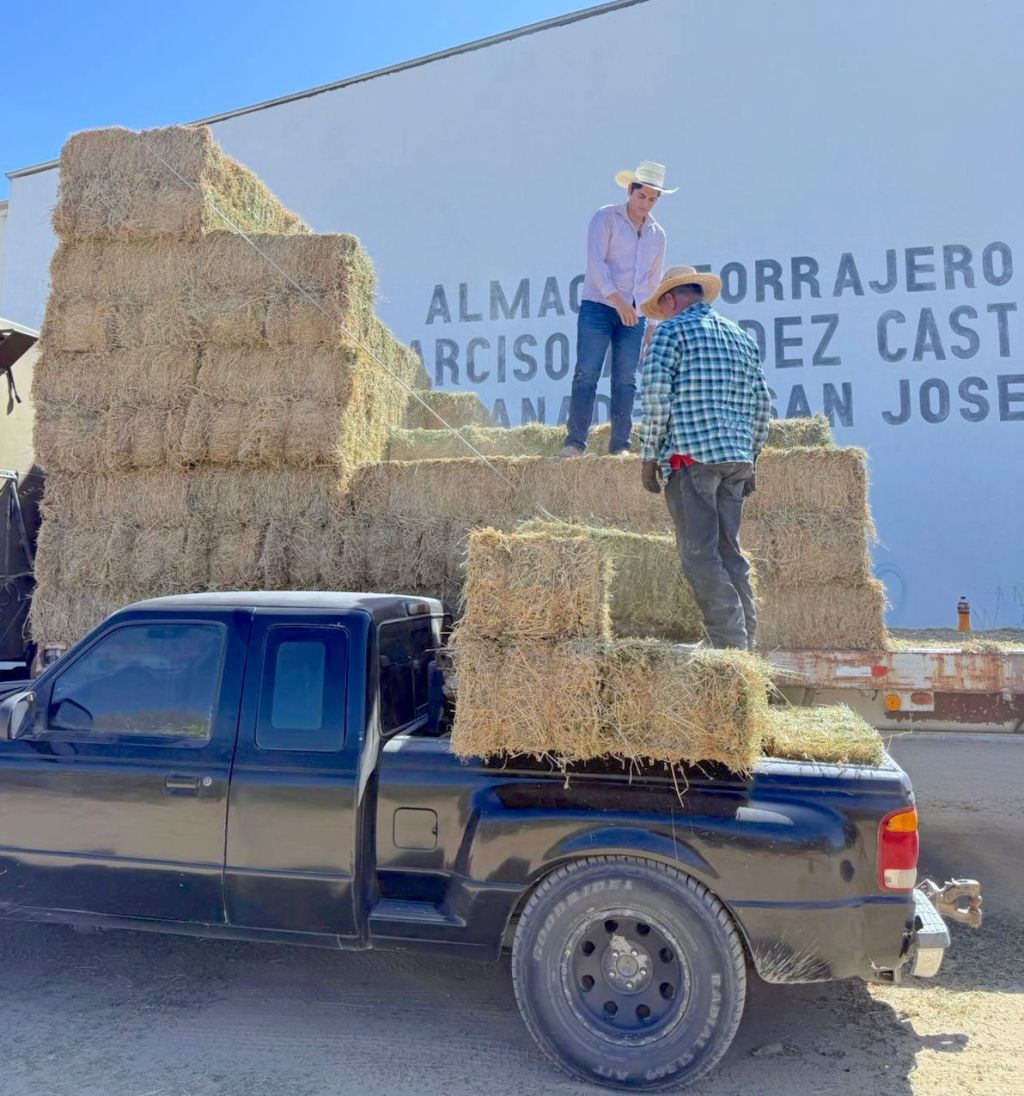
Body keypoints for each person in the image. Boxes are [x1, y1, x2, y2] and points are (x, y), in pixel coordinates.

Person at [638, 266, 771, 649]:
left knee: (700, 555)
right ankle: (746, 645)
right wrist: (752, 457)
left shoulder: (670, 332)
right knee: (731, 553)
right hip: (735, 460)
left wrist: (649, 456)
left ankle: (728, 647)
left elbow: (656, 399)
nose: (660, 316)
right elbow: (762, 405)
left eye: (661, 308)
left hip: (691, 458)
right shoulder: (740, 336)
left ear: (670, 298)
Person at [560, 161, 673, 458]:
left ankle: (621, 445)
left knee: (626, 378)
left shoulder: (657, 234)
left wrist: (651, 324)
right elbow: (596, 263)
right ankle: (575, 442)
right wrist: (618, 301)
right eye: (641, 196)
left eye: (652, 199)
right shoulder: (605, 217)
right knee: (587, 372)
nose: (645, 204)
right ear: (630, 190)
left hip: (635, 314)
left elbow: (653, 280)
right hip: (599, 305)